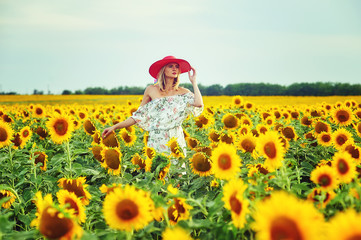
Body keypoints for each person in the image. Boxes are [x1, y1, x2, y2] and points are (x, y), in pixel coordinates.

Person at [102, 56, 204, 157]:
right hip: (157, 138)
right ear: (163, 70)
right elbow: (137, 116)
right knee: (157, 169)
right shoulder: (151, 90)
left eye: (177, 66)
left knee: (177, 171)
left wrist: (194, 82)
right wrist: (114, 127)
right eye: (170, 66)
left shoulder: (183, 92)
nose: (174, 69)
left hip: (175, 138)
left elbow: (199, 103)